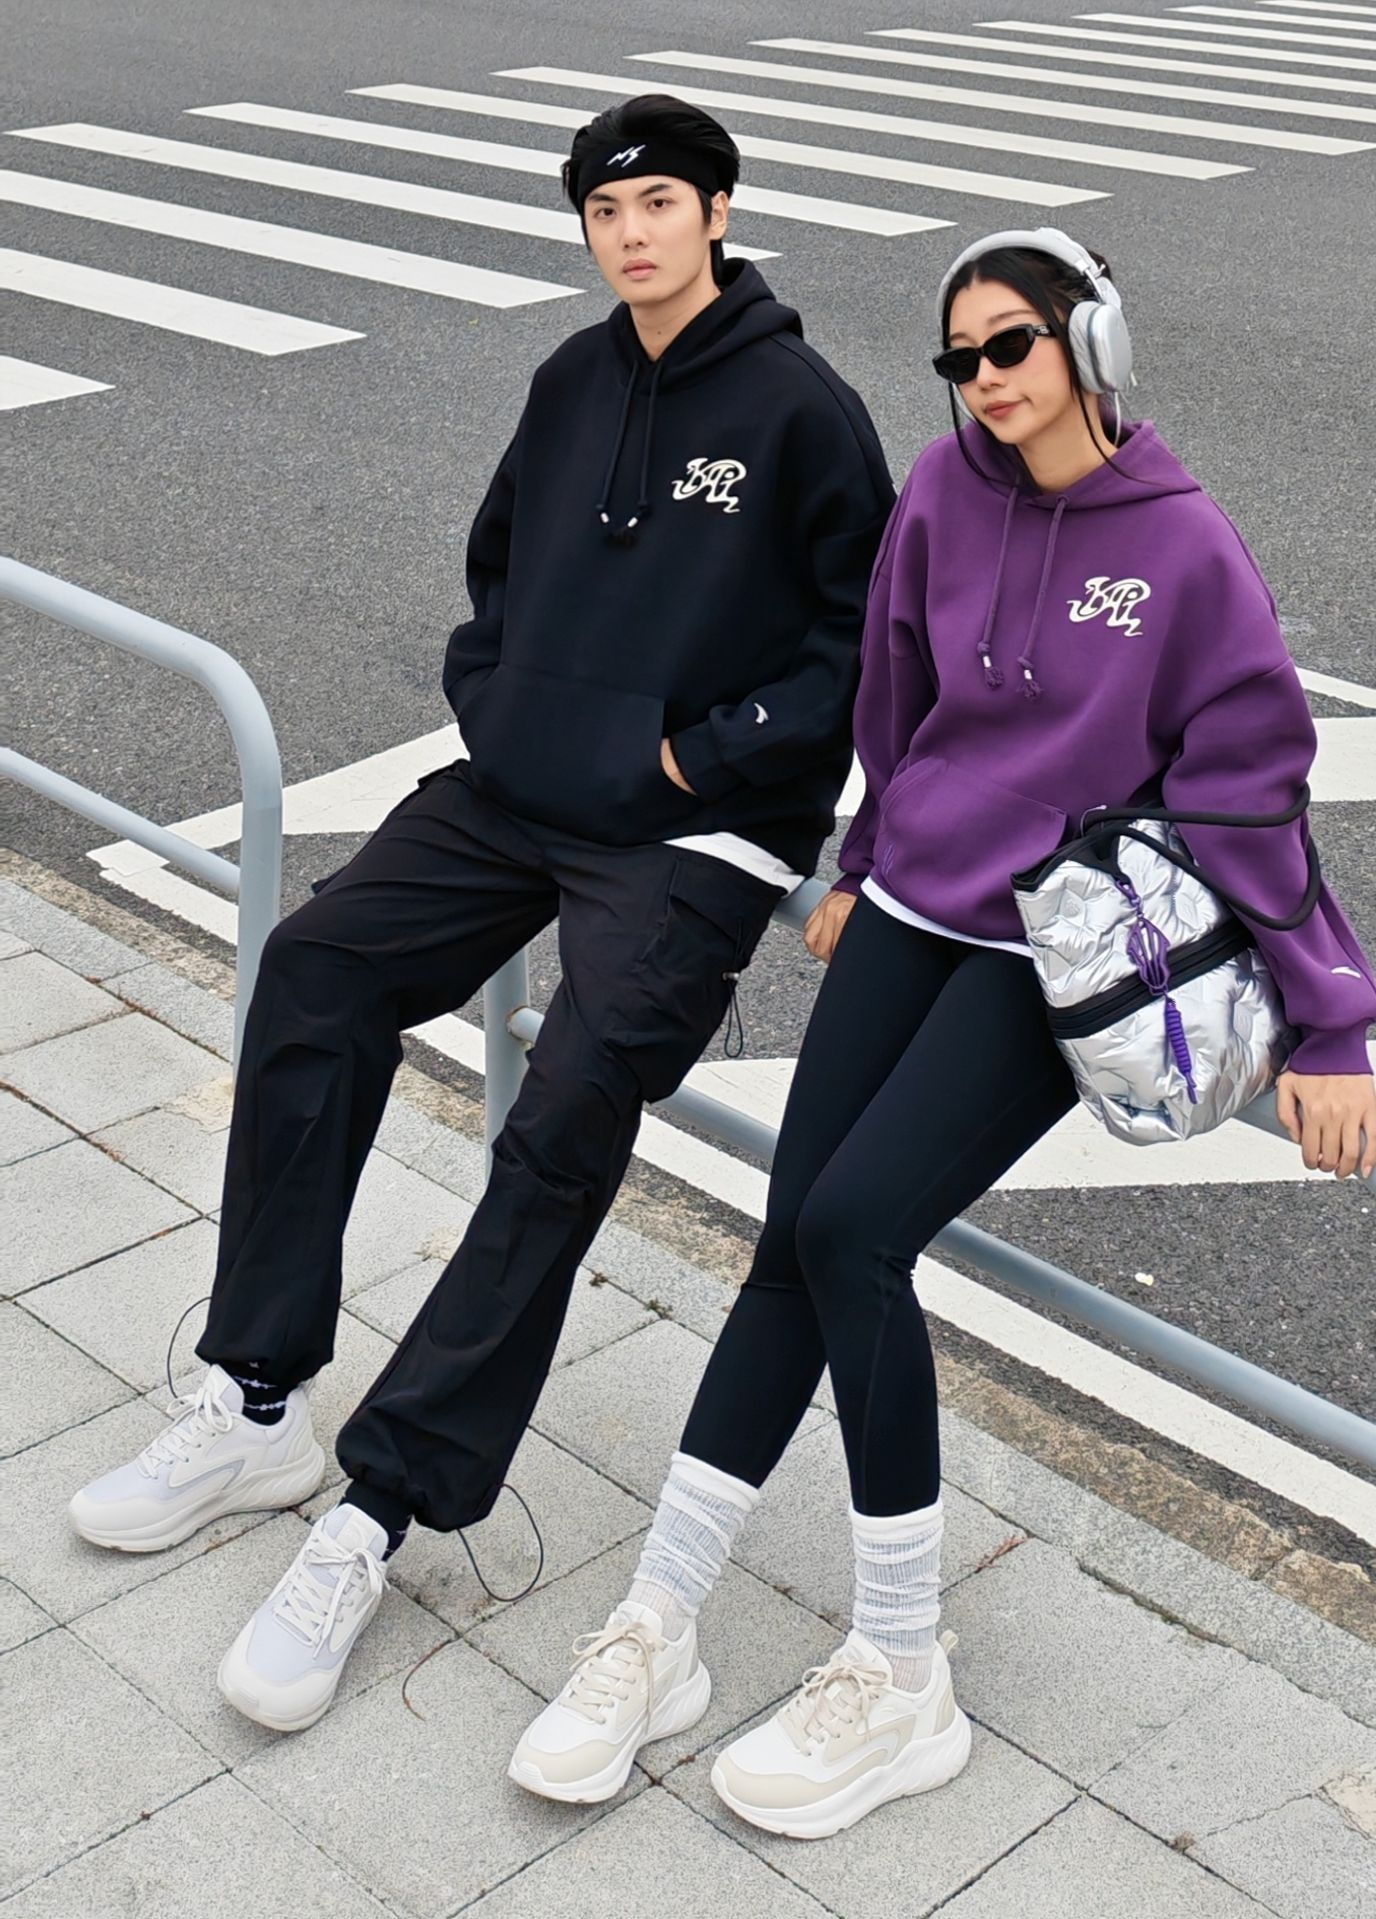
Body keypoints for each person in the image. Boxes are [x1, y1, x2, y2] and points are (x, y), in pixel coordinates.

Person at [510, 227, 1376, 1838]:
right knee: (791, 1236)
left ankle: (904, 1668)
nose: (983, 380)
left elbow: (1252, 793)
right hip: (915, 900)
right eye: (960, 357)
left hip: (1050, 947)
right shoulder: (940, 491)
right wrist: (863, 860)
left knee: (852, 1230)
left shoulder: (1186, 549)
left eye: (1012, 345)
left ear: (1090, 344)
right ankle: (658, 1620)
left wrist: (1328, 1021)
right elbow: (896, 695)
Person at [66, 94, 893, 1735]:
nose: (632, 233)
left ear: (719, 213)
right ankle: (256, 1398)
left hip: (699, 834)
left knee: (571, 1099)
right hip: (523, 789)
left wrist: (699, 755)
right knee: (315, 967)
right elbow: (498, 569)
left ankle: (380, 1508)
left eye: (661, 203)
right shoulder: (572, 380)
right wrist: (502, 705)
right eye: (605, 211)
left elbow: (863, 639)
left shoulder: (802, 410)